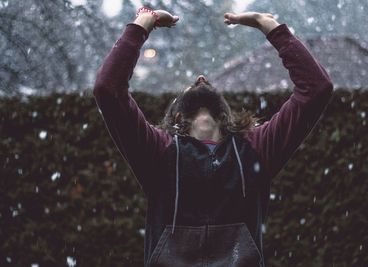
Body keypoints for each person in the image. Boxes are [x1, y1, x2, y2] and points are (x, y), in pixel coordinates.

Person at [93, 6, 333, 267]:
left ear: (224, 116)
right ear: (177, 118)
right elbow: (107, 88)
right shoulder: (158, 152)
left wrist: (269, 26)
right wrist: (143, 21)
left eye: (204, 81)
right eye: (192, 83)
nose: (201, 78)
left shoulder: (255, 149)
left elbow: (317, 88)